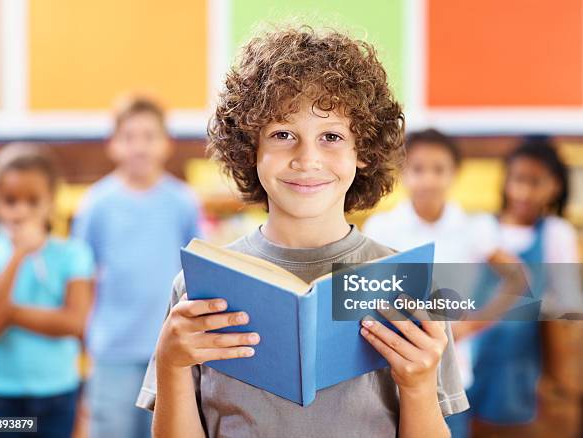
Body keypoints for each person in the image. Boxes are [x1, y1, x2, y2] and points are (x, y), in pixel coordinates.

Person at [136, 27, 468, 438]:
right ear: (249, 147)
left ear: (362, 152)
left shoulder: (411, 285)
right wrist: (171, 365)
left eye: (331, 136)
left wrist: (417, 386)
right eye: (282, 135)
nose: (307, 159)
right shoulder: (198, 286)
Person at [363, 128, 520, 437]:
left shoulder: (475, 228)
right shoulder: (382, 227)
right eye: (418, 169)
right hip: (387, 369)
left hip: (452, 375)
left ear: (454, 173)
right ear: (402, 172)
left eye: (439, 170)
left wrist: (470, 326)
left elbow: (516, 280)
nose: (429, 180)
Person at [72, 95, 202, 438]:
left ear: (166, 143)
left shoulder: (183, 201)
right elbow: (80, 276)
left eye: (149, 136)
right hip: (112, 348)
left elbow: (197, 269)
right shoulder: (96, 204)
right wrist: (84, 337)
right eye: (129, 137)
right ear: (113, 144)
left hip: (168, 348)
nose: (139, 147)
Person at [0, 143, 94, 438]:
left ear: (50, 200)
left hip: (59, 391)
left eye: (32, 200)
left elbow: (74, 322)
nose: (20, 210)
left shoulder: (73, 254)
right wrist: (18, 255)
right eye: (10, 200)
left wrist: (8, 313)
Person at [467, 138, 583, 436]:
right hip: (473, 351)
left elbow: (568, 304)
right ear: (506, 181)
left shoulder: (556, 233)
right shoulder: (481, 226)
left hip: (523, 363)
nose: (524, 191)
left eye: (536, 182)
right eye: (518, 179)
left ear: (555, 186)